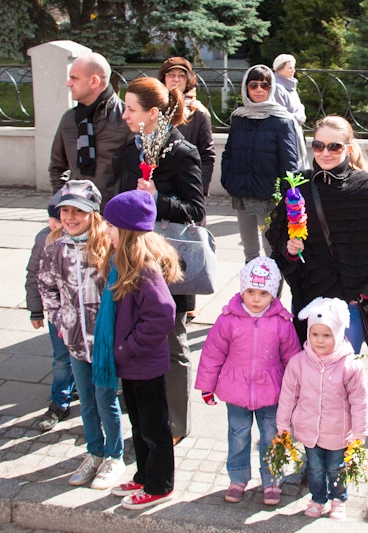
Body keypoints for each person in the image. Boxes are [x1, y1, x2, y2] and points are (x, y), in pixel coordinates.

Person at [117, 76, 205, 445]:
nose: (123, 115)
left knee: (173, 342)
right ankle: (140, 414)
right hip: (131, 258)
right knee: (131, 333)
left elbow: (196, 210)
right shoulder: (131, 148)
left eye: (130, 109)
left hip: (167, 262)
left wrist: (157, 197)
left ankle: (176, 424)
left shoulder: (182, 151)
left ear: (153, 113)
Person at [267, 115, 368, 353]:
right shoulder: (298, 187)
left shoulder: (367, 188)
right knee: (308, 379)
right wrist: (289, 251)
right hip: (310, 303)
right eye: (318, 145)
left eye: (334, 146)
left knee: (342, 380)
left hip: (349, 309)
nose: (324, 153)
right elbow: (279, 245)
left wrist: (360, 295)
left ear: (348, 149)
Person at [38, 180, 125, 490]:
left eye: (78, 211)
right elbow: (46, 285)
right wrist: (60, 319)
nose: (70, 217)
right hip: (74, 340)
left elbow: (120, 291)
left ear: (93, 214)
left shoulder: (107, 247)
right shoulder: (55, 249)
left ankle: (114, 455)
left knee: (106, 400)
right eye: (65, 211)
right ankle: (94, 451)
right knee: (86, 402)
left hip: (103, 344)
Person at [195, 257, 301, 506]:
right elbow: (212, 354)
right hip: (236, 391)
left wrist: (295, 393)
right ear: (242, 290)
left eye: (263, 293)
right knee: (238, 435)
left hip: (271, 392)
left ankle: (272, 479)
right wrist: (207, 386)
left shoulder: (281, 323)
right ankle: (238, 478)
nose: (255, 298)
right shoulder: (228, 319)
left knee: (271, 436)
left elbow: (292, 361)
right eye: (250, 291)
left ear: (273, 294)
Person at [99, 190, 180, 510]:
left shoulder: (145, 269)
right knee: (139, 424)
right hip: (130, 362)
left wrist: (126, 347)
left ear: (128, 232)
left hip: (143, 362)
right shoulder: (122, 262)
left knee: (154, 426)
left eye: (110, 226)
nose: (105, 231)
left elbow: (163, 316)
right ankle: (145, 474)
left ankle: (161, 484)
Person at [277, 297, 368, 520]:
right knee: (315, 469)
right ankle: (318, 498)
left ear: (337, 335)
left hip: (338, 430)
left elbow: (360, 400)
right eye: (314, 334)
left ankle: (338, 499)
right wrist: (283, 424)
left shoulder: (350, 365)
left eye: (326, 335)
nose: (319, 341)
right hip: (309, 429)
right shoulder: (298, 362)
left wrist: (360, 432)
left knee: (336, 467)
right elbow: (289, 395)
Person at [221, 65, 305, 264]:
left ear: (271, 88)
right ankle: (251, 294)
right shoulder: (239, 118)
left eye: (264, 85)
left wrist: (284, 197)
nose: (259, 89)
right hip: (242, 192)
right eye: (253, 85)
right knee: (250, 253)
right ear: (246, 88)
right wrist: (228, 180)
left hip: (269, 198)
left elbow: (290, 164)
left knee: (273, 253)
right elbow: (229, 152)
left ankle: (272, 295)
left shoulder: (282, 121)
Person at [49, 53, 131, 205]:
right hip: (77, 215)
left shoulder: (127, 119)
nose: (68, 83)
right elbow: (57, 168)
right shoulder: (69, 119)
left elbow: (138, 173)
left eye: (74, 78)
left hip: (113, 217)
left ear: (94, 81)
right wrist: (63, 204)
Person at [26, 193, 75, 432]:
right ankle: (60, 402)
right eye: (52, 218)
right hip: (57, 313)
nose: (52, 224)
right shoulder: (44, 239)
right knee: (61, 358)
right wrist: (36, 310)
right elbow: (33, 276)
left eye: (57, 219)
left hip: (84, 314)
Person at [157, 57, 216, 197]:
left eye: (181, 75)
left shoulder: (199, 113)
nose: (176, 79)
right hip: (158, 186)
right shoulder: (153, 109)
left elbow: (207, 155)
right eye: (171, 74)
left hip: (187, 186)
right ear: (163, 78)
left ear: (188, 80)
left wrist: (199, 187)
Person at [273, 54, 307, 127]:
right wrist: (298, 118)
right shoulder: (277, 88)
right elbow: (280, 115)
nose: (293, 71)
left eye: (293, 68)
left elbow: (299, 106)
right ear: (279, 69)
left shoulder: (291, 85)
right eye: (290, 68)